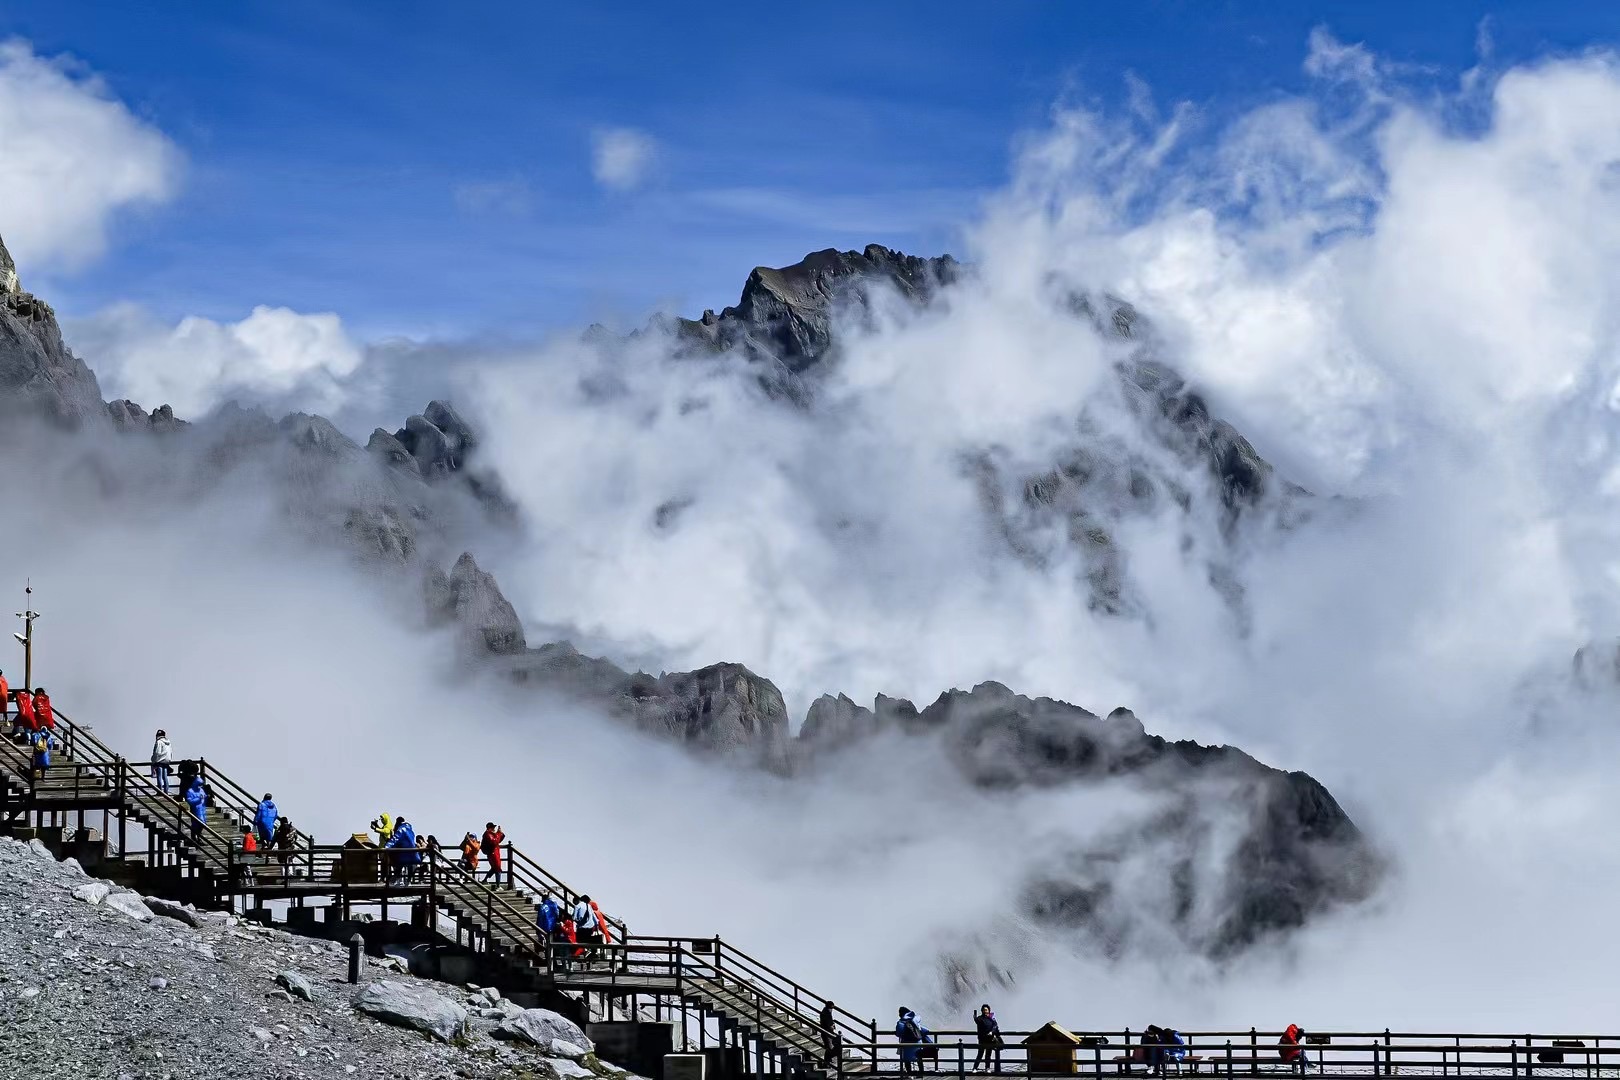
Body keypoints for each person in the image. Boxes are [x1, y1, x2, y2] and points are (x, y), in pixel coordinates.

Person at [895, 1008, 931, 1075]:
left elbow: (898, 1033)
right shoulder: (915, 1019)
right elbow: (925, 1031)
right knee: (919, 1058)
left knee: (907, 1060)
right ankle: (921, 1073)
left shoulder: (901, 1022)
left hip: (907, 1045)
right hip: (918, 1043)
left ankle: (909, 1073)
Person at [389, 817, 420, 885]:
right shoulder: (410, 830)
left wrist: (388, 846)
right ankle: (407, 881)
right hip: (410, 850)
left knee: (399, 866)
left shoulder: (399, 829)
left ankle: (397, 881)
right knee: (409, 866)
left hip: (401, 850)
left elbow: (395, 839)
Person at [972, 1004, 1002, 1073]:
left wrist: (992, 1032)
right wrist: (975, 1014)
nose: (985, 1011)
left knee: (988, 1054)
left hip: (990, 1039)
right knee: (980, 1054)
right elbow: (976, 1020)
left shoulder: (992, 1018)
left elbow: (995, 1026)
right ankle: (975, 1068)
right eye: (984, 1010)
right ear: (982, 1011)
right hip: (982, 1039)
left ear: (989, 1010)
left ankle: (987, 1068)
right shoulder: (980, 1018)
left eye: (986, 1010)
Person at [183, 774, 207, 843]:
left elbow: (204, 796)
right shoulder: (190, 791)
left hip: (201, 808)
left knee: (203, 823)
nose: (200, 786)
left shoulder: (201, 790)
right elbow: (190, 801)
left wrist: (205, 797)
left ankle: (199, 836)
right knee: (195, 824)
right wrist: (199, 799)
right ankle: (194, 838)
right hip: (194, 809)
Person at [819, 1000, 841, 1068]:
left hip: (827, 1033)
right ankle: (826, 1062)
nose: (832, 1009)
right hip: (826, 1033)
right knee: (829, 1048)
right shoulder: (826, 1013)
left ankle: (827, 1061)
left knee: (829, 1047)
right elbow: (828, 1023)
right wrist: (832, 1026)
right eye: (832, 1008)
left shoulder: (826, 1012)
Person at [150, 729, 172, 794]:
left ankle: (160, 791)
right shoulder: (168, 742)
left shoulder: (159, 742)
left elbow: (157, 753)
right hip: (166, 760)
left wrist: (153, 761)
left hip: (160, 761)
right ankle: (166, 791)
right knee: (165, 777)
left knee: (159, 776)